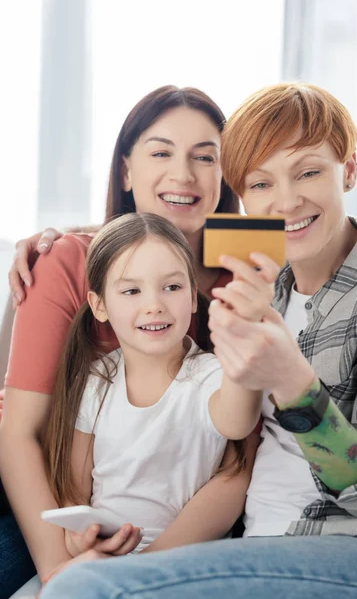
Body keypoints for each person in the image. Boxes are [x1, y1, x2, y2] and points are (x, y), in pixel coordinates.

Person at [40, 82, 357, 598]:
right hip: (248, 548)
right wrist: (59, 238)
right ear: (241, 195)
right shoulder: (263, 286)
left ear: (350, 169)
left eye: (310, 171)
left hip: (353, 546)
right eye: (260, 183)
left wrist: (294, 384)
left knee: (85, 589)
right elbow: (149, 248)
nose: (286, 200)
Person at [0, 86, 258, 598]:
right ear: (125, 171)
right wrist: (62, 570)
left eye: (205, 157)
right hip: (43, 502)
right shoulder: (68, 260)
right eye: (161, 152)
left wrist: (142, 575)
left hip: (173, 532)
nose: (183, 174)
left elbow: (238, 463)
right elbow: (20, 434)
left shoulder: (245, 279)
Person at [43, 211, 263, 568]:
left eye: (172, 287)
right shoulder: (97, 380)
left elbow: (237, 423)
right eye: (131, 290)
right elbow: (74, 492)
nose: (154, 305)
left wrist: (242, 349)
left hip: (181, 564)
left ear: (193, 297)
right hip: (103, 557)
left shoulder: (210, 374)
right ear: (99, 305)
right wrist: (79, 537)